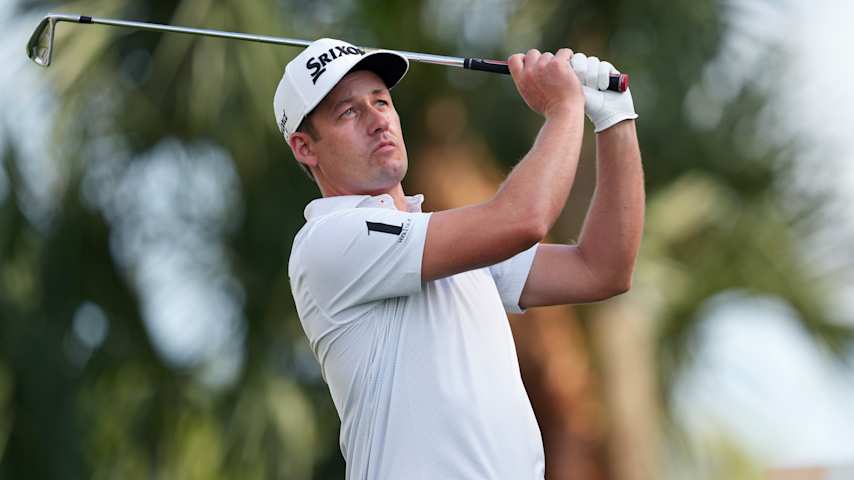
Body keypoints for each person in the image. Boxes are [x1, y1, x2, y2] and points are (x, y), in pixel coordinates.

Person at [273, 37, 643, 479]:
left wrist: (615, 118)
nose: (377, 121)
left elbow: (601, 269)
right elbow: (524, 218)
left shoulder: (446, 245)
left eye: (381, 102)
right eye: (348, 112)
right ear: (304, 148)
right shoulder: (329, 240)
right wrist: (564, 109)